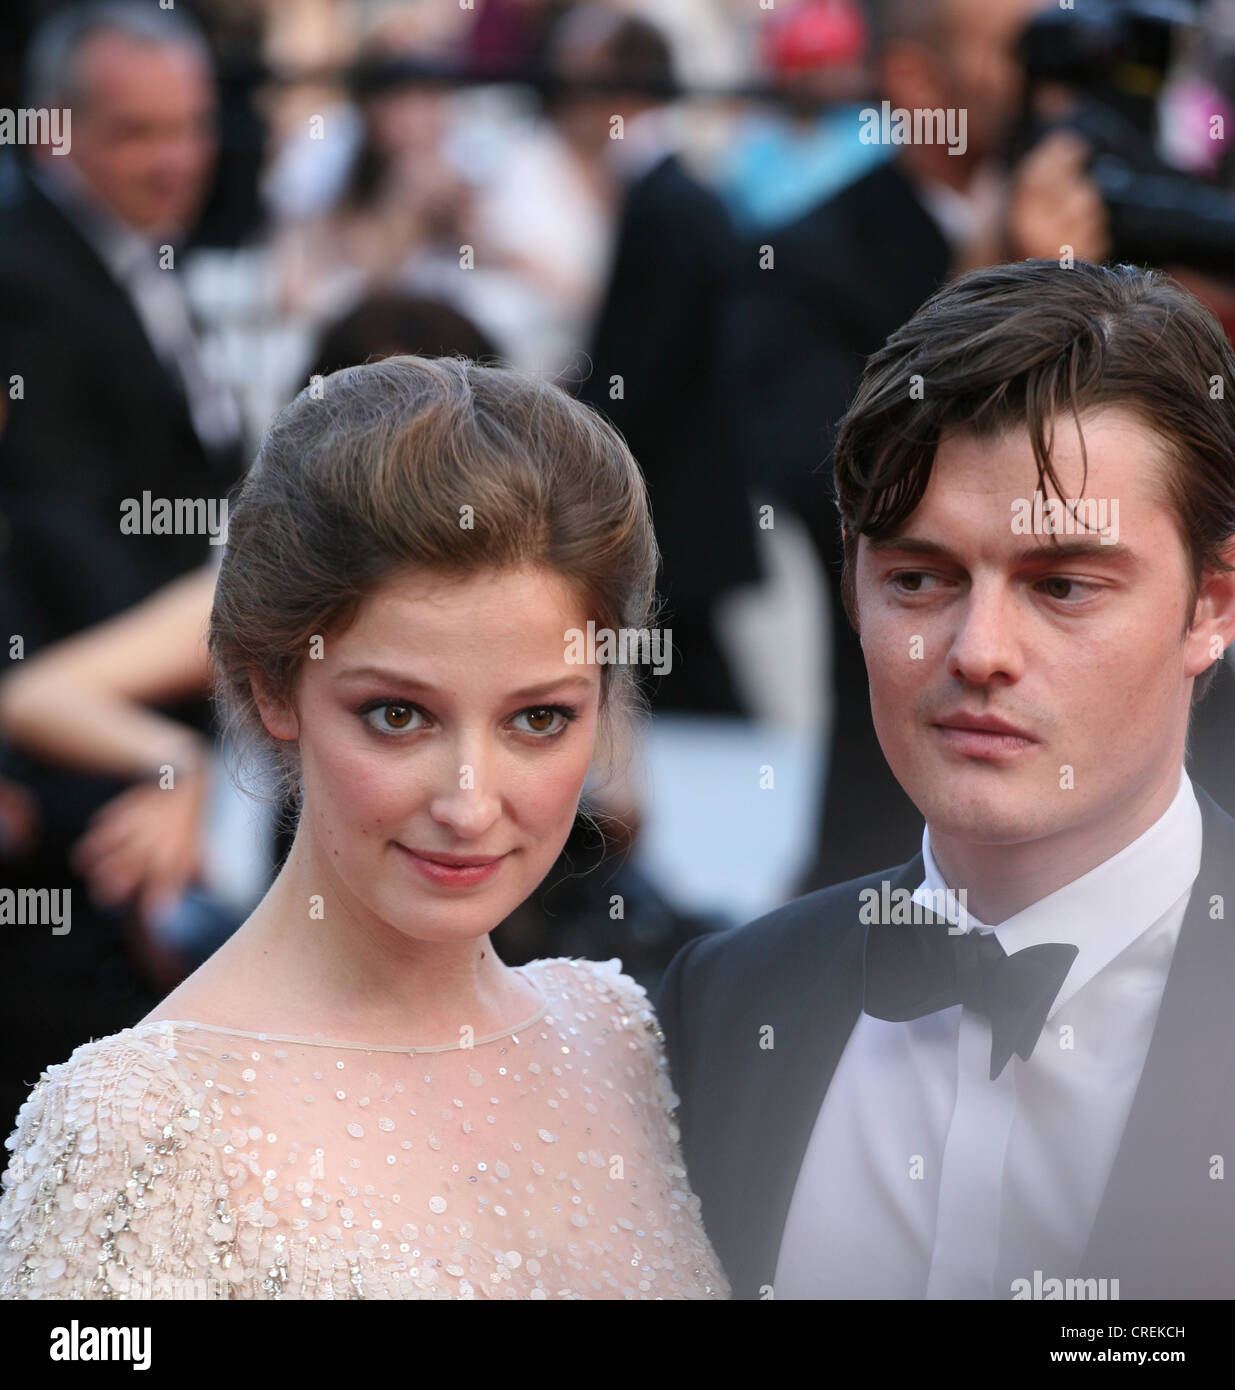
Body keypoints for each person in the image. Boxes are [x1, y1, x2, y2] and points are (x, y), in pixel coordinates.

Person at [0, 356, 728, 1301]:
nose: (468, 804)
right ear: (273, 688)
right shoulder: (139, 1131)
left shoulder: (616, 1035)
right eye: (397, 715)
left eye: (538, 719)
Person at [657, 259, 1235, 1300]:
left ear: (1210, 608)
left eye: (1060, 584)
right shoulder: (728, 1004)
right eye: (918, 578)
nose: (977, 650)